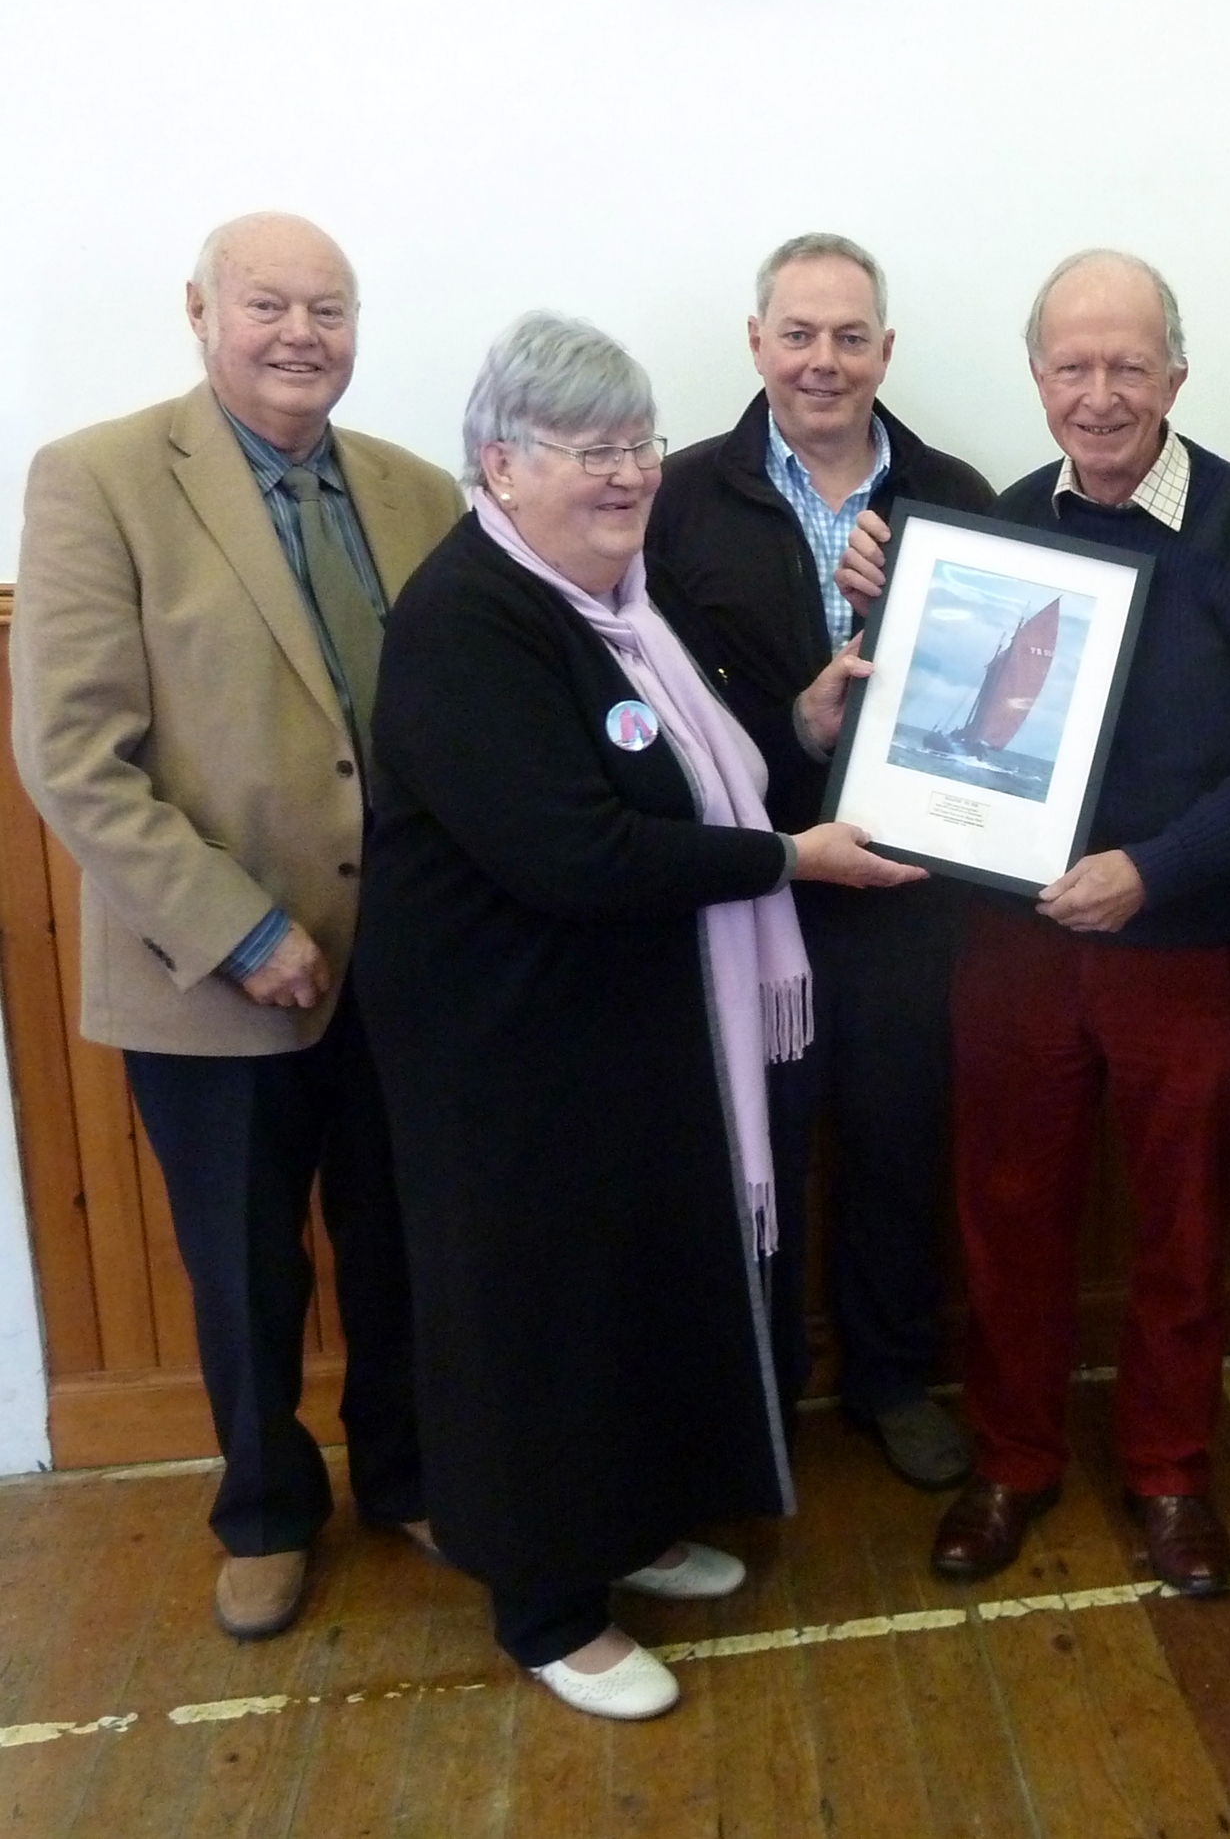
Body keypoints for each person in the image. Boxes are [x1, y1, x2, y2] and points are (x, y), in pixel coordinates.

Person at [353, 312, 923, 1721]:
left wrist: (798, 733)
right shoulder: (471, 617)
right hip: (507, 1057)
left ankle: (630, 1527)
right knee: (535, 1319)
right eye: (587, 452)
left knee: (626, 1294)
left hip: (623, 1031)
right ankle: (548, 1607)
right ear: (500, 461)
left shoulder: (613, 598)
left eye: (638, 445)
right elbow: (574, 853)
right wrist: (793, 859)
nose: (624, 476)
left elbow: (687, 777)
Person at [846, 250, 1230, 1595]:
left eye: (1128, 365)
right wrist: (886, 626)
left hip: (1183, 943)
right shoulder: (994, 529)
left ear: (1176, 372)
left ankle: (1171, 1475)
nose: (1101, 395)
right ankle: (1013, 1464)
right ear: (1038, 377)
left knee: (1180, 1229)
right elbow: (939, 728)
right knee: (1008, 1219)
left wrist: (1154, 870)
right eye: (1073, 366)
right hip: (1014, 948)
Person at [9, 213, 460, 1642]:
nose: (300, 335)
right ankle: (264, 1512)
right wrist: (242, 928)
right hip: (214, 968)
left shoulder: (418, 491)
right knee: (248, 1265)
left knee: (399, 1242)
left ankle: (408, 1477)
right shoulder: (100, 479)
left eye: (330, 309)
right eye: (269, 304)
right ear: (199, 310)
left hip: (405, 964)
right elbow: (73, 754)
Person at [646, 234, 993, 1490]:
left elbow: (1003, 695)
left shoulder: (957, 493)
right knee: (761, 1148)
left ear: (885, 352)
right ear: (755, 345)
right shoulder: (677, 498)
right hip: (759, 883)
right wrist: (794, 729)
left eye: (850, 337)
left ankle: (891, 1378)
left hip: (906, 895)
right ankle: (764, 1386)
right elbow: (657, 703)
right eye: (797, 334)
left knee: (900, 1144)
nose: (823, 361)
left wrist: (913, 611)